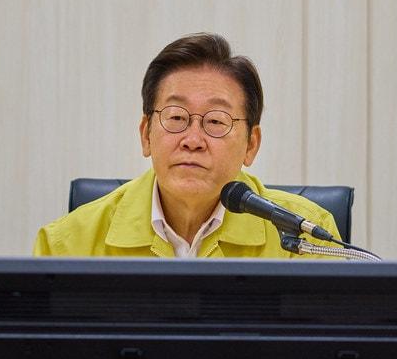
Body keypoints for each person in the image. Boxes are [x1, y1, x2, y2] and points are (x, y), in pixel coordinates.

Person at [33, 33, 340, 258]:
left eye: (216, 122)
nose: (192, 141)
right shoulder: (67, 245)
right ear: (145, 134)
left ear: (251, 145)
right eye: (176, 117)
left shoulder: (303, 236)